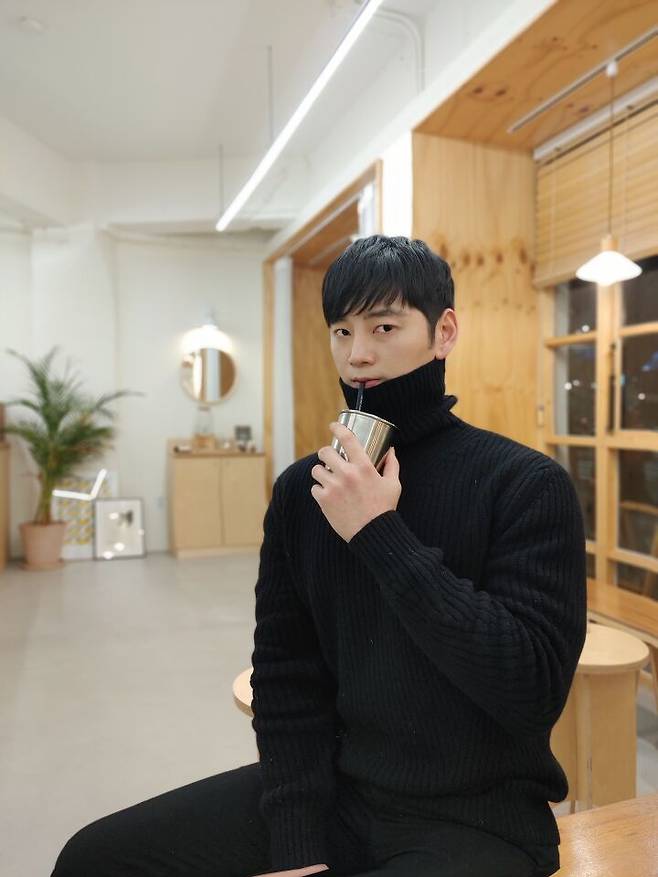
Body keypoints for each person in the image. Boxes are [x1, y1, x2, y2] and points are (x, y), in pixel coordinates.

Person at [51, 235, 586, 877]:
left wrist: (378, 532)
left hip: (478, 821)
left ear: (443, 332)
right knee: (92, 858)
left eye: (384, 327)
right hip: (339, 794)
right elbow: (286, 676)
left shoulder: (525, 483)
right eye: (342, 331)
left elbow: (530, 690)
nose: (358, 354)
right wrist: (296, 848)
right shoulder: (303, 491)